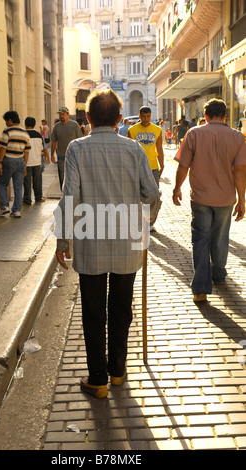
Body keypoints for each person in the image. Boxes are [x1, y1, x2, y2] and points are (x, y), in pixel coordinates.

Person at [55, 89, 161, 398]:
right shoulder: (133, 149)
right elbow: (152, 193)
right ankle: (118, 371)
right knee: (121, 309)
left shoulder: (76, 148)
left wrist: (63, 239)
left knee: (93, 311)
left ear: (87, 118)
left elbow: (70, 197)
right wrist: (144, 219)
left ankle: (98, 379)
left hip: (90, 243)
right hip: (127, 241)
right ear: (119, 119)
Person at [172, 98, 246, 302]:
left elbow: (183, 166)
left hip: (201, 197)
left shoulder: (194, 133)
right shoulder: (237, 137)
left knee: (200, 240)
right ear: (225, 116)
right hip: (226, 198)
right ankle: (219, 276)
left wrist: (177, 188)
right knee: (221, 236)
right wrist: (242, 200)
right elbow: (240, 170)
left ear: (205, 116)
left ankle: (201, 289)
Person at [127, 106, 164, 231]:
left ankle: (151, 222)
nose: (146, 119)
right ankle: (139, 221)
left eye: (148, 116)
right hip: (137, 167)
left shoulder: (157, 130)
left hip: (153, 167)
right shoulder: (132, 130)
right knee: (137, 195)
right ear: (139, 116)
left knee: (154, 195)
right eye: (143, 116)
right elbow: (129, 151)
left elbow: (159, 149)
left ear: (151, 116)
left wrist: (162, 165)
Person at [0, 111, 31, 218]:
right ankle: (16, 210)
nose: (6, 123)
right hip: (20, 161)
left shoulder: (7, 131)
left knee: (2, 184)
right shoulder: (25, 133)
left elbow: (3, 148)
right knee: (18, 187)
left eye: (7, 120)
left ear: (11, 120)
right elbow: (27, 151)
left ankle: (4, 207)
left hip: (8, 160)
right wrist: (24, 165)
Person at [51, 106, 82, 190]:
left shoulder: (74, 125)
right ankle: (64, 194)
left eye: (63, 114)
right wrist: (52, 155)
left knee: (73, 176)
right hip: (61, 156)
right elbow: (53, 141)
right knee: (62, 176)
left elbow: (79, 140)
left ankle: (73, 194)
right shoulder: (56, 127)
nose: (61, 116)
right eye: (60, 115)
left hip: (73, 156)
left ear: (68, 115)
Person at [23, 117, 49, 205]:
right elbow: (43, 148)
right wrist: (46, 157)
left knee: (27, 181)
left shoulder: (24, 134)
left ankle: (27, 200)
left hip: (26, 162)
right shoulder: (38, 135)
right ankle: (38, 197)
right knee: (37, 181)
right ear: (34, 125)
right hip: (37, 161)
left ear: (25, 124)